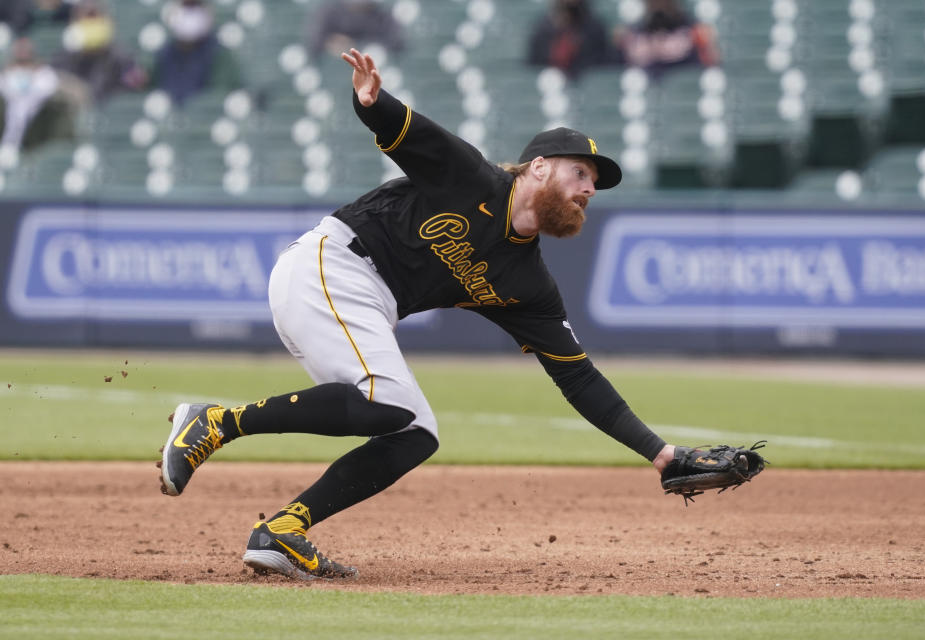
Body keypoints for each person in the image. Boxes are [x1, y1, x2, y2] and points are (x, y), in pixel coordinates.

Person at [158, 48, 679, 581]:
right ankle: (217, 422)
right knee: (387, 401)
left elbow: (578, 377)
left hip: (363, 301)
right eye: (580, 172)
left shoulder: (528, 285)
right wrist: (371, 101)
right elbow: (402, 129)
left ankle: (284, 531)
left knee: (414, 429)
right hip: (333, 264)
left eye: (594, 183)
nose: (589, 189)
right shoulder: (470, 177)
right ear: (539, 167)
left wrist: (662, 455)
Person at [49, 0, 148, 104]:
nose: (91, 24)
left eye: (94, 17)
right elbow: (54, 85)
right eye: (87, 18)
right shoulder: (64, 57)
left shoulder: (120, 55)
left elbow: (136, 81)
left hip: (109, 112)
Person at [150, 0, 243, 106]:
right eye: (186, 8)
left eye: (195, 8)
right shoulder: (164, 54)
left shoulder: (220, 55)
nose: (189, 15)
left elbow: (219, 97)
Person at [0, 36, 76, 150]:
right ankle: (10, 145)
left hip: (41, 114)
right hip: (12, 106)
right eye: (20, 49)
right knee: (16, 114)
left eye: (25, 49)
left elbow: (48, 87)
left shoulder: (42, 71)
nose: (22, 53)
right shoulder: (7, 71)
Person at [613, 0, 719, 79]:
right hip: (646, 90)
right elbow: (615, 71)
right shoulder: (634, 32)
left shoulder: (694, 30)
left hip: (684, 92)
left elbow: (710, 67)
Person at [526, 0, 616, 79]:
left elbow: (601, 67)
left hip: (588, 88)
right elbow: (535, 65)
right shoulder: (543, 30)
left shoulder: (595, 28)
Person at [306, 0, 406, 59]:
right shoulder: (329, 12)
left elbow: (397, 44)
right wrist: (331, 43)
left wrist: (355, 46)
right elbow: (314, 41)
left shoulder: (382, 16)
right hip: (333, 74)